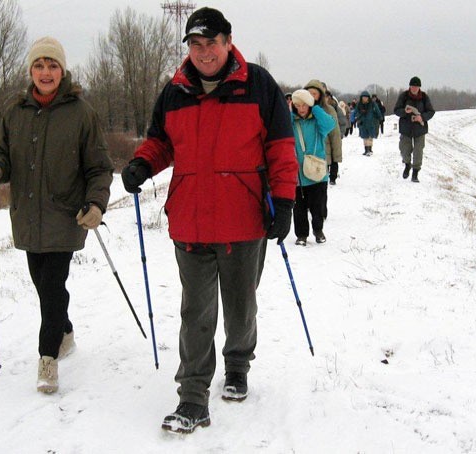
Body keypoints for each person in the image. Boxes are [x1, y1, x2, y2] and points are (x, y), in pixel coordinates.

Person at [120, 7, 298, 434]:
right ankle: (192, 398)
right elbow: (160, 142)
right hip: (191, 221)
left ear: (228, 41)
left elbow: (280, 147)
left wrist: (285, 200)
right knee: (196, 312)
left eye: (211, 43)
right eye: (195, 45)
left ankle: (237, 365)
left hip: (243, 221)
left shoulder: (258, 85)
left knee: (240, 306)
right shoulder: (176, 90)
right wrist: (142, 165)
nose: (203, 53)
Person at [0, 36, 114, 394]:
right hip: (27, 216)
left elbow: (99, 168)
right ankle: (64, 331)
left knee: (51, 287)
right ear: (30, 71)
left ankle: (47, 360)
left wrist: (96, 204)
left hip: (67, 216)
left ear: (62, 70)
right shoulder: (14, 112)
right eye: (39, 65)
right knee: (45, 286)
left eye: (52, 65)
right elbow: (2, 156)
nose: (45, 72)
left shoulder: (82, 113)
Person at [290, 89, 335, 246]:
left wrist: (315, 107)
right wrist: (290, 112)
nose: (301, 109)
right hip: (298, 175)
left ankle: (318, 230)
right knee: (299, 208)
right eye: (297, 105)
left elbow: (331, 124)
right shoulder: (292, 122)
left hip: (317, 173)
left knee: (318, 207)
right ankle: (301, 234)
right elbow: (280, 127)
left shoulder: (317, 122)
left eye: (304, 105)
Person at [393, 76, 435, 182]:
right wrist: (404, 112)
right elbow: (396, 110)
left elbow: (431, 111)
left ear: (419, 87)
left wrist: (422, 117)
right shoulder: (404, 96)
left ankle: (415, 173)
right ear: (409, 86)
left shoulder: (424, 97)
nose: (414, 88)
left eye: (416, 86)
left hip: (419, 128)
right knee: (404, 149)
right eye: (412, 86)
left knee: (418, 151)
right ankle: (407, 165)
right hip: (406, 127)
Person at [304, 80, 342, 186]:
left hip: (324, 149)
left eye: (314, 94)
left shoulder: (328, 110)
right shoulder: (300, 110)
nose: (311, 96)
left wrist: (336, 156)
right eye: (308, 93)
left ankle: (333, 177)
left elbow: (335, 134)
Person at [355, 91, 383, 156]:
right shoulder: (359, 104)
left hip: (371, 122)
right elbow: (356, 112)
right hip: (363, 122)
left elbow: (377, 110)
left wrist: (380, 118)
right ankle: (366, 149)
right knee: (365, 137)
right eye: (363, 97)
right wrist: (357, 118)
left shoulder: (372, 104)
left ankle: (369, 149)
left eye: (366, 97)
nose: (364, 98)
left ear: (368, 98)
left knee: (370, 137)